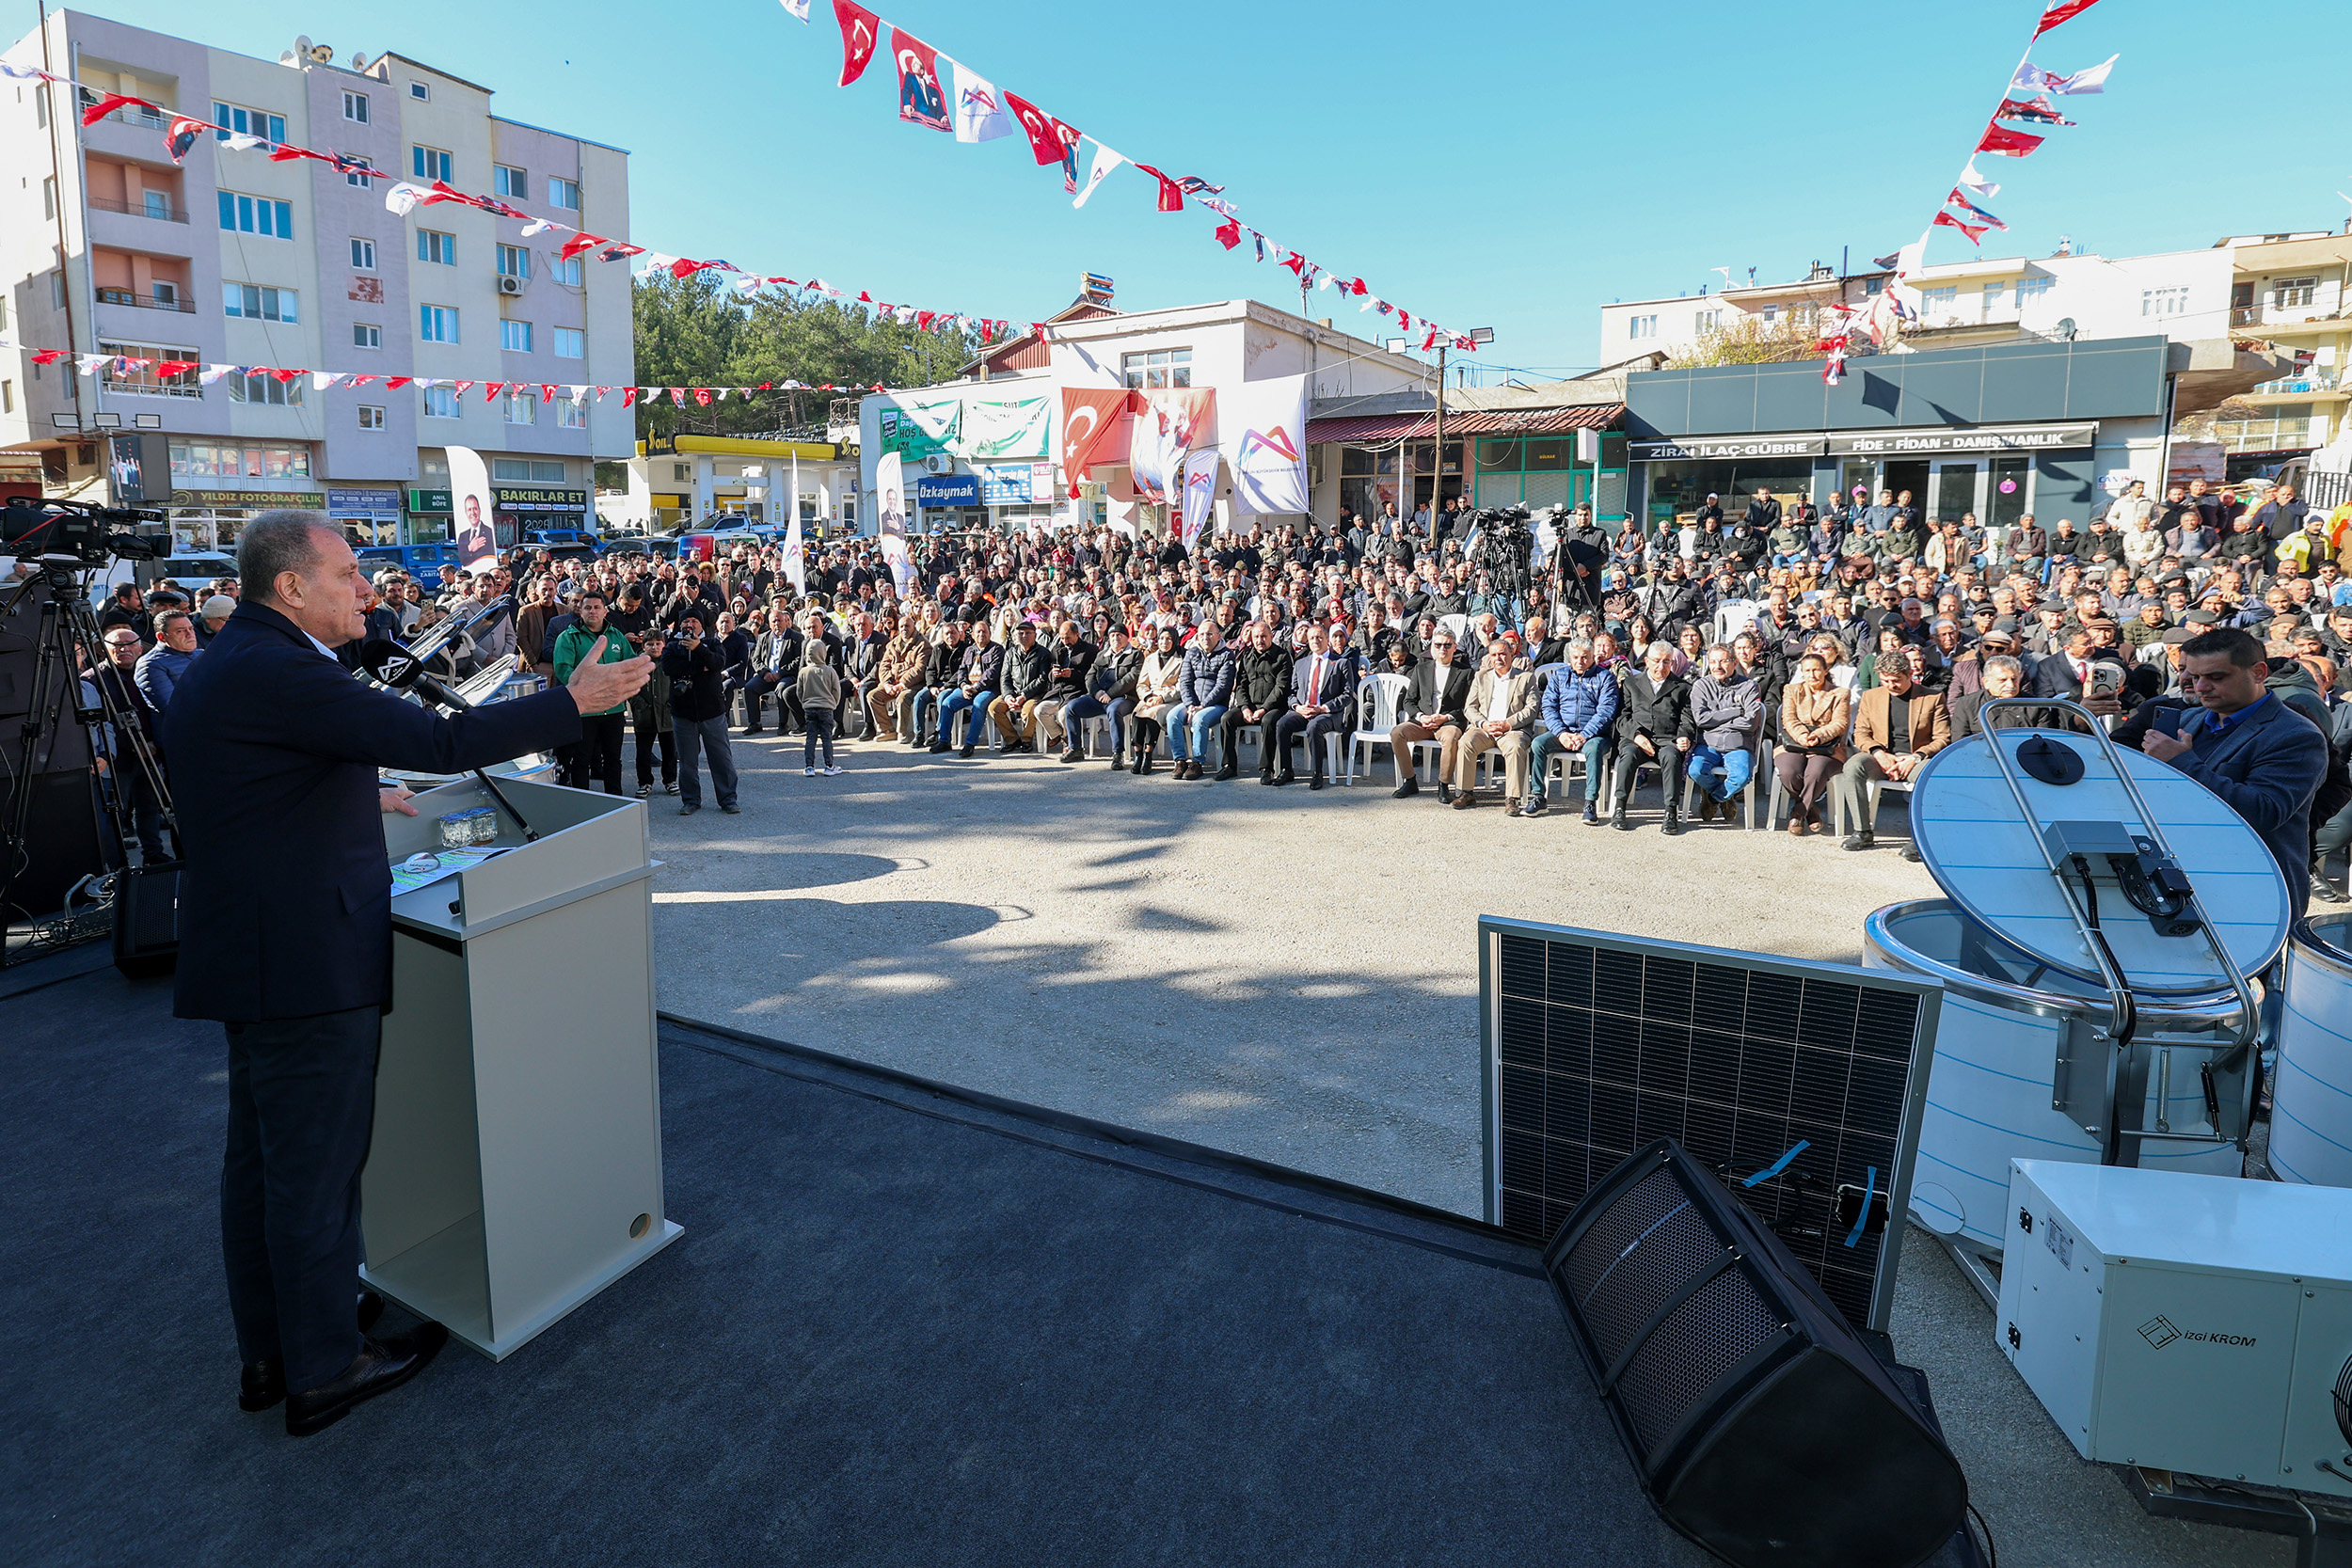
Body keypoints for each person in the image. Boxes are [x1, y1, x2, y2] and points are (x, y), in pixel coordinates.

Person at [166, 510, 647, 1439]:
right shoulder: (281, 668)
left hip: (255, 949)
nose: (365, 588)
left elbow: (266, 780)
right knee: (312, 1171)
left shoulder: (239, 658)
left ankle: (275, 1346)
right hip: (303, 960)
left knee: (263, 1165)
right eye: (346, 573)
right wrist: (570, 701)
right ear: (292, 586)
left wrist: (353, 789)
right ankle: (323, 1366)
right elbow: (435, 742)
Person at [2139, 626, 2330, 915]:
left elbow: (2263, 812)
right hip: (2179, 884)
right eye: (2194, 677)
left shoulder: (2297, 735)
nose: (2201, 687)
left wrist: (2182, 763)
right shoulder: (2189, 719)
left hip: (2252, 892)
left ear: (2258, 672)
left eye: (2216, 677)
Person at [1838, 654, 1950, 851]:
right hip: (1883, 755)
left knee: (1929, 775)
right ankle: (1862, 831)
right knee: (1853, 766)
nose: (1891, 685)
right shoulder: (1872, 696)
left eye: (1897, 680)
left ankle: (1919, 838)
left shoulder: (1932, 697)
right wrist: (1878, 753)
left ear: (1910, 674)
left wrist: (1915, 758)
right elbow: (1861, 733)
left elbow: (1942, 738)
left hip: (1916, 758)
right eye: (1886, 680)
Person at [549, 589, 631, 796]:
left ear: (605, 611)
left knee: (613, 758)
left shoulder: (616, 636)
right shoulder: (568, 637)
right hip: (584, 710)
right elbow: (563, 669)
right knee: (581, 759)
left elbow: (628, 664)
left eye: (597, 607)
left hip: (613, 709)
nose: (592, 611)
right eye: (587, 608)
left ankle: (615, 800)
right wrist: (590, 689)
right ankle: (582, 802)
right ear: (580, 611)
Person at [1529, 638, 1618, 822]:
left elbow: (1606, 712)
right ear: (1570, 657)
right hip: (1564, 732)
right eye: (1576, 657)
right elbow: (1548, 707)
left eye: (1585, 657)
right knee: (1538, 743)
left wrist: (1584, 736)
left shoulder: (1605, 678)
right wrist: (1561, 733)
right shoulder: (1560, 676)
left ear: (1593, 657)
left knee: (1593, 750)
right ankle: (1538, 796)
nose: (1580, 661)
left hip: (1594, 735)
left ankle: (1590, 801)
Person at [1610, 641, 1694, 833]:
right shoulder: (1631, 683)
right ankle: (1620, 808)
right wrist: (1636, 736)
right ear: (1647, 661)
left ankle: (1670, 812)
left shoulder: (1682, 687)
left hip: (1667, 740)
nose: (1661, 667)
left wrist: (1684, 737)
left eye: (1666, 662)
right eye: (1657, 661)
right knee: (1628, 755)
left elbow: (1687, 720)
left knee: (1672, 757)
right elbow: (1622, 717)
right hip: (1636, 739)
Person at [663, 614, 739, 815]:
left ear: (701, 625)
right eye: (686, 622)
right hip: (683, 714)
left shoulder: (712, 643)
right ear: (680, 625)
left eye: (694, 621)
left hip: (712, 712)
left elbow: (717, 664)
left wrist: (699, 649)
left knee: (721, 758)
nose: (690, 625)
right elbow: (669, 668)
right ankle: (690, 800)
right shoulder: (672, 646)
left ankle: (728, 799)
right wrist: (700, 667)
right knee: (687, 761)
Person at [1389, 627, 1472, 800]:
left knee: (1451, 737)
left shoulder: (1465, 672)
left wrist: (1446, 717)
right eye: (1438, 644)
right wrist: (1421, 716)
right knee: (1397, 733)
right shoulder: (1421, 669)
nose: (1443, 648)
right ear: (1432, 647)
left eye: (1447, 645)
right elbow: (1409, 701)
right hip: (1423, 721)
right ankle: (1410, 780)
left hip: (1449, 722)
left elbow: (1469, 706)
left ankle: (1443, 785)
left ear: (1455, 647)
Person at [1457, 638, 1539, 814]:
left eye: (1503, 654)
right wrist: (1483, 723)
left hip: (1512, 729)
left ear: (1512, 654)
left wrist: (1507, 724)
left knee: (1516, 748)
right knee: (1466, 742)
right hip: (1484, 728)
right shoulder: (1481, 677)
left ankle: (1512, 798)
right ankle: (1466, 792)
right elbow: (1470, 707)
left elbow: (1532, 709)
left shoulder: (1526, 678)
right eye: (1494, 655)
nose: (1498, 658)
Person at [1271, 622, 1356, 790]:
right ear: (1307, 641)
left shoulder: (1341, 663)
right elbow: (1292, 692)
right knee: (1282, 724)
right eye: (1312, 638)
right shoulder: (1301, 663)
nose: (1315, 641)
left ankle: (1317, 773)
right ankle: (1287, 770)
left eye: (1319, 637)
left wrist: (1323, 708)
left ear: (1327, 640)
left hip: (1328, 713)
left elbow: (1347, 695)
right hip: (1303, 710)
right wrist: (1297, 707)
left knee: (1314, 726)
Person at [1685, 644, 1761, 821]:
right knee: (1695, 771)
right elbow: (1701, 720)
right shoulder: (1701, 686)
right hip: (1708, 744)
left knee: (1742, 776)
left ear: (1734, 663)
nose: (1717, 666)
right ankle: (1726, 796)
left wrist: (1716, 720)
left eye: (1723, 661)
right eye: (1713, 661)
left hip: (1738, 744)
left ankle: (1713, 798)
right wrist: (1736, 711)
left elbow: (1750, 722)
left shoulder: (1749, 686)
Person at [1776, 653, 1848, 836]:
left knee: (1815, 772)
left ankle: (1798, 813)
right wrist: (1803, 736)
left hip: (1827, 746)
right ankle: (1812, 810)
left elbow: (1840, 723)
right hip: (1794, 742)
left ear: (1826, 670)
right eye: (1807, 670)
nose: (1812, 674)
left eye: (1816, 669)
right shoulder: (1792, 690)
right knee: (1789, 772)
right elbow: (1789, 718)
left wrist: (1818, 735)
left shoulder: (1840, 694)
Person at [1168, 621, 1237, 781]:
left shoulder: (1227, 655)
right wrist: (1191, 704)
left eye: (1210, 634)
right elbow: (1184, 681)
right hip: (1192, 703)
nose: (1206, 637)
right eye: (1202, 634)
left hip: (1216, 705)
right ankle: (1180, 760)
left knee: (1199, 720)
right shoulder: (1192, 653)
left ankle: (1197, 762)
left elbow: (1223, 686)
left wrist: (1203, 705)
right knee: (1172, 717)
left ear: (1218, 636)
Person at [628, 629, 677, 798]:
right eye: (650, 644)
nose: (654, 647)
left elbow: (677, 683)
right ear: (643, 646)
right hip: (645, 714)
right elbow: (630, 687)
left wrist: (673, 701)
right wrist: (639, 704)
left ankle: (670, 780)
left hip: (667, 713)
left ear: (664, 644)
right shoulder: (636, 663)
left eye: (658, 643)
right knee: (643, 752)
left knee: (670, 750)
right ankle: (644, 782)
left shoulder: (670, 661)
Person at [1130, 626, 1185, 775]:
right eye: (1161, 638)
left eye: (1169, 639)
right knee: (1137, 714)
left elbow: (1181, 687)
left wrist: (1162, 698)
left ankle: (1149, 755)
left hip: (1169, 699)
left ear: (1174, 640)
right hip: (1150, 696)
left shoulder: (1181, 659)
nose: (1164, 642)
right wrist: (1148, 697)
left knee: (1154, 714)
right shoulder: (1150, 658)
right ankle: (1138, 754)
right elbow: (1141, 684)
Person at [135, 607, 202, 711]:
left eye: (191, 628)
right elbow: (172, 707)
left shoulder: (202, 654)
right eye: (180, 631)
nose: (190, 634)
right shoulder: (151, 664)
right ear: (162, 637)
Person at [797, 633, 843, 777]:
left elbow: (799, 691)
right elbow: (836, 690)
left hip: (810, 708)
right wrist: (833, 704)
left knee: (810, 738)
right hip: (826, 708)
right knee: (826, 738)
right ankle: (829, 765)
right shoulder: (829, 671)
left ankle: (809, 766)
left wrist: (805, 702)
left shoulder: (803, 672)